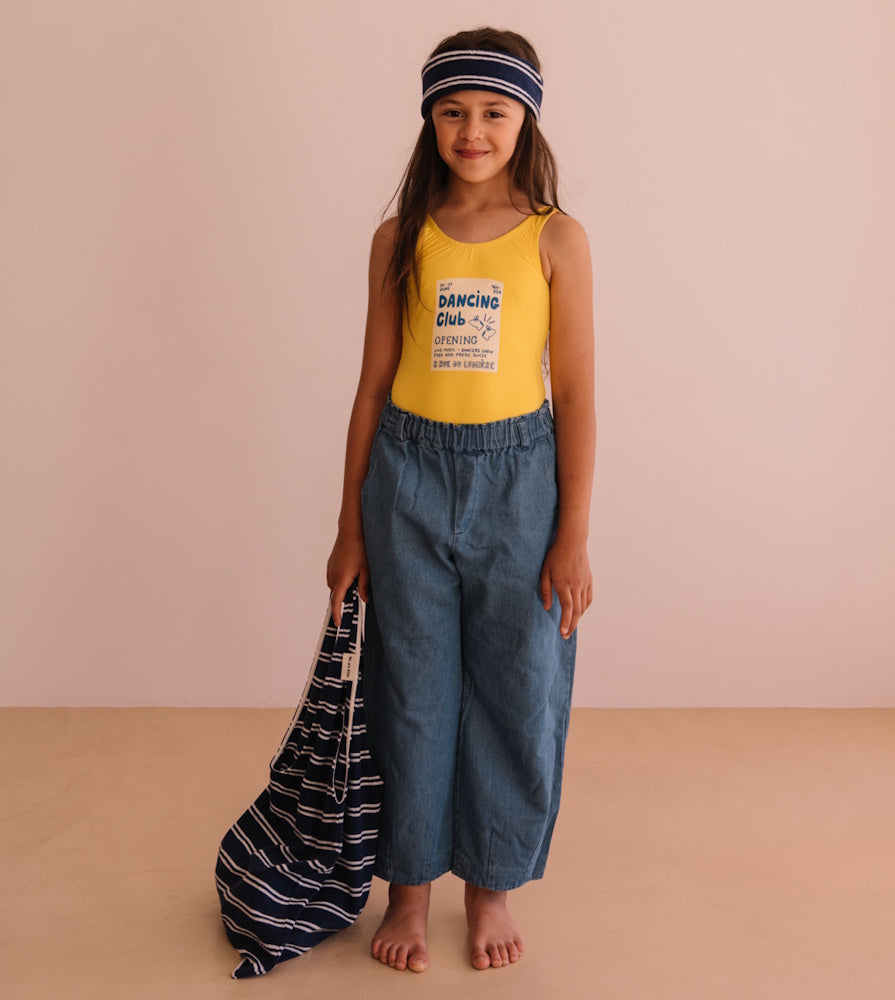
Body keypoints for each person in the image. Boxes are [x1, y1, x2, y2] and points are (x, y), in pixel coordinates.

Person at [326, 27, 595, 973]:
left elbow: (576, 397)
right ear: (428, 120)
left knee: (517, 690)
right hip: (405, 479)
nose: (471, 129)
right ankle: (407, 890)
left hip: (520, 483)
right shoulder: (398, 239)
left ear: (524, 119)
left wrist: (570, 533)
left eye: (492, 111)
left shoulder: (555, 238)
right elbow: (369, 384)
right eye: (452, 110)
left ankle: (491, 887)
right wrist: (349, 524)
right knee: (411, 689)